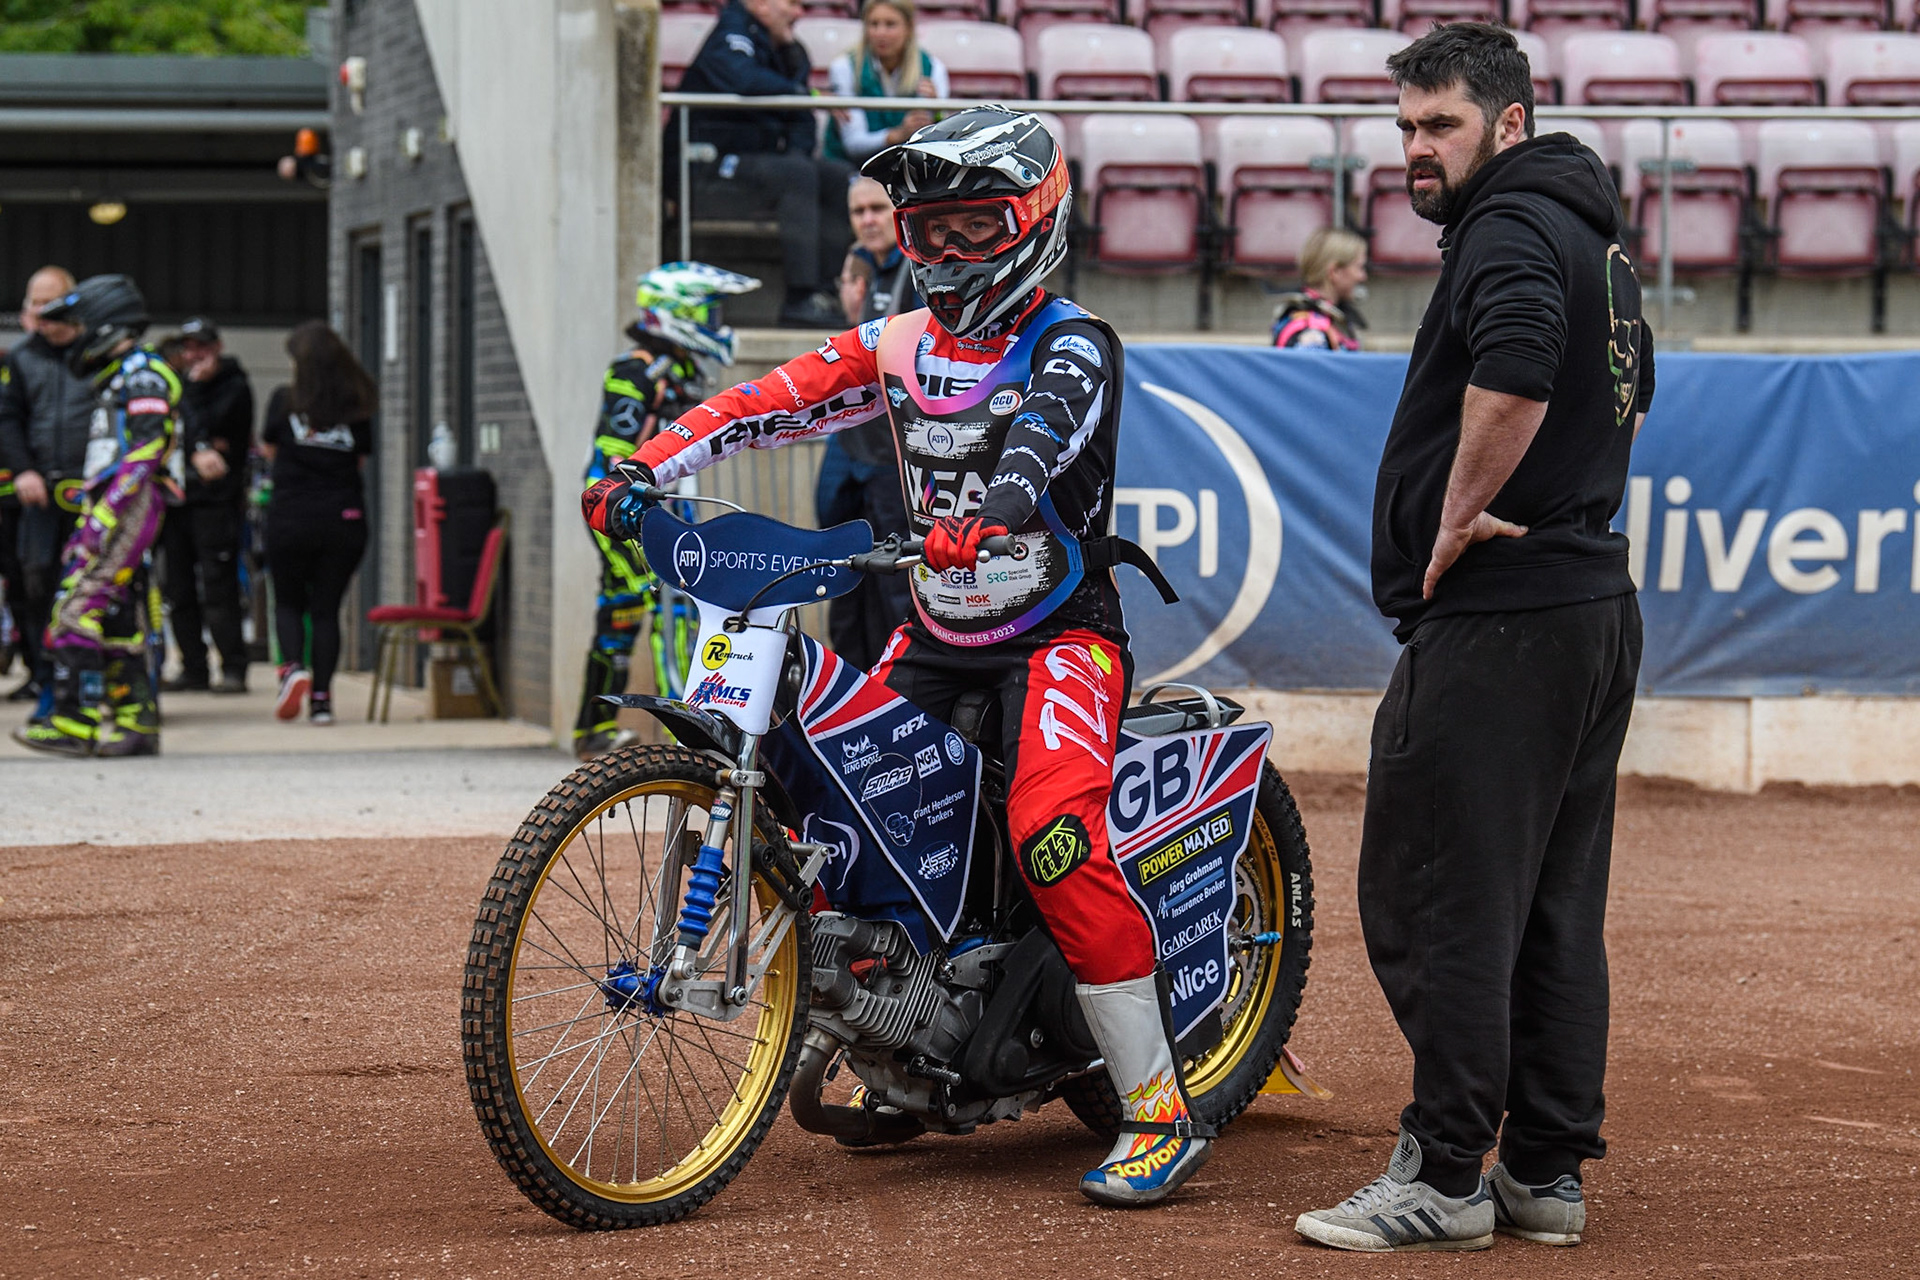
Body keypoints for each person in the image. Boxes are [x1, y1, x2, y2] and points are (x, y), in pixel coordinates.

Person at [585, 107, 1206, 1210]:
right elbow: (765, 403)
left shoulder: (1073, 338)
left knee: (1053, 836)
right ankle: (905, 1021)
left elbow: (1045, 434)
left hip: (1060, 634)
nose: (950, 254)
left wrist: (1003, 510)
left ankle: (1158, 1106)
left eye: (977, 228)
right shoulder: (897, 340)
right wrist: (646, 462)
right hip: (934, 630)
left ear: (1036, 221)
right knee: (848, 803)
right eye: (931, 232)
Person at [1294, 23, 1654, 1254]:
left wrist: (1452, 518)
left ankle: (1445, 1172)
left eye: (1439, 124)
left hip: (1505, 621)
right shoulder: (1600, 236)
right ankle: (1542, 1171)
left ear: (1508, 124)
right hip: (1591, 606)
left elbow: (1515, 370)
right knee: (1553, 905)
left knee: (1437, 897)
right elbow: (1631, 394)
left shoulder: (1509, 225)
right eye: (1403, 126)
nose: (1416, 149)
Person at [574, 262, 761, 760]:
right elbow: (615, 450)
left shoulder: (679, 368)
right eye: (709, 312)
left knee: (637, 610)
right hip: (618, 509)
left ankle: (600, 730)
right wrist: (632, 512)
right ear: (681, 315)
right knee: (648, 604)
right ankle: (675, 724)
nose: (717, 323)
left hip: (661, 506)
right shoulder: (636, 370)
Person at [11, 274, 177, 758]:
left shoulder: (143, 371)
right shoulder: (123, 372)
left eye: (83, 324)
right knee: (117, 617)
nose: (78, 334)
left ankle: (73, 722)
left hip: (129, 504)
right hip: (118, 503)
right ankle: (135, 723)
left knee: (75, 610)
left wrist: (104, 515)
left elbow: (148, 448)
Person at [680, 0, 856, 328]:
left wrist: (797, 149)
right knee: (797, 174)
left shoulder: (790, 51)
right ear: (760, 5)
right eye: (791, 3)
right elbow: (744, 81)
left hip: (760, 167)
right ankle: (799, 299)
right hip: (708, 168)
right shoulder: (730, 34)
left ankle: (826, 291)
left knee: (835, 176)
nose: (798, 12)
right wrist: (800, 94)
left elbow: (800, 117)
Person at [259, 322, 377, 726]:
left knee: (289, 601)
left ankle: (293, 669)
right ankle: (323, 701)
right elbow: (359, 460)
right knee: (326, 609)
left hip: (291, 515)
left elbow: (270, 450)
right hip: (343, 519)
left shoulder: (283, 401)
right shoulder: (358, 407)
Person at [0, 266, 91, 704]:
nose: (42, 311)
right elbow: (8, 419)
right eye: (35, 302)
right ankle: (42, 677)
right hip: (37, 495)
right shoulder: (21, 357)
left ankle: (95, 678)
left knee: (92, 585)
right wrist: (23, 470)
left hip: (92, 495)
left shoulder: (97, 351)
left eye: (50, 301)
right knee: (34, 584)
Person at [159, 317, 254, 694]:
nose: (194, 355)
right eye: (188, 348)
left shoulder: (234, 385)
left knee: (218, 586)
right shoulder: (177, 386)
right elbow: (174, 430)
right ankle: (192, 666)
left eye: (201, 347)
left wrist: (195, 397)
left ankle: (233, 666)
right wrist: (201, 444)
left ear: (217, 347)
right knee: (177, 588)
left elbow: (216, 423)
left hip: (217, 503)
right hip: (179, 500)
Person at [824, 0, 950, 164]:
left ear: (909, 28)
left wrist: (937, 112)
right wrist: (897, 135)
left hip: (909, 168)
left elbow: (936, 143)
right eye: (873, 24)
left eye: (890, 25)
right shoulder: (844, 68)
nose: (880, 33)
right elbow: (853, 144)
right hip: (850, 166)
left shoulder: (932, 68)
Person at [1271, 227, 1369, 350]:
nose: (1363, 277)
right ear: (1335, 272)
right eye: (1359, 268)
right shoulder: (1312, 330)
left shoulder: (1329, 316)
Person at [845, 175, 919, 324]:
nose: (867, 221)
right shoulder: (859, 262)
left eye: (877, 208)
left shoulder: (921, 266)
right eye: (858, 211)